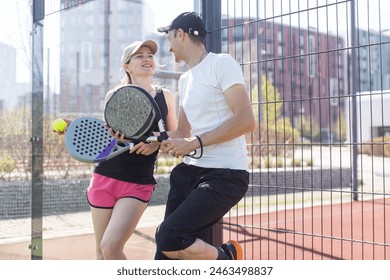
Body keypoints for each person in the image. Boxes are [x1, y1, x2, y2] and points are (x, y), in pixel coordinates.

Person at [55, 40, 177, 260]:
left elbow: (175, 137)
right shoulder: (114, 95)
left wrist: (156, 143)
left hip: (138, 182)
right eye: (139, 56)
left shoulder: (165, 96)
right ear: (127, 66)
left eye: (149, 55)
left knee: (111, 247)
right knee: (101, 253)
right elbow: (109, 135)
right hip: (104, 177)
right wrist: (75, 126)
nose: (147, 59)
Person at [155, 12, 256, 260]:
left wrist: (195, 142)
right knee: (165, 252)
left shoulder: (222, 63)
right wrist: (150, 140)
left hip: (225, 175)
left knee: (169, 236)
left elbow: (246, 120)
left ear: (180, 34)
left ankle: (227, 258)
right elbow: (182, 132)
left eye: (169, 38)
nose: (168, 47)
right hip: (189, 172)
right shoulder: (185, 79)